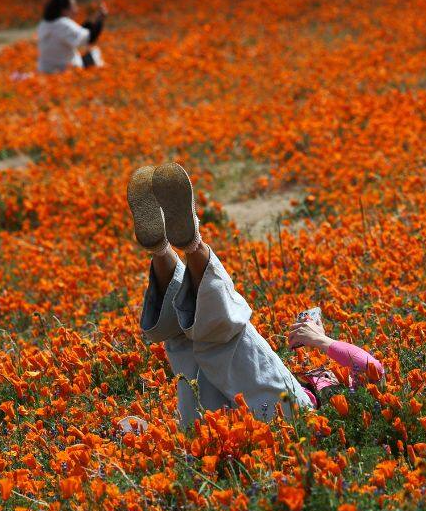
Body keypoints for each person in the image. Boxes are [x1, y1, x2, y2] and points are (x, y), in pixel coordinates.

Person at [129, 163, 384, 432]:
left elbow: (372, 368)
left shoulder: (363, 399)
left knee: (227, 338)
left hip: (296, 416)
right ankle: (163, 248)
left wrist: (321, 340)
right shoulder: (331, 381)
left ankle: (186, 245)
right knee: (185, 341)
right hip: (242, 427)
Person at [37, 0, 107, 74]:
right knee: (95, 52)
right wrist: (100, 20)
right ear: (64, 10)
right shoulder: (63, 23)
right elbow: (90, 38)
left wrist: (91, 21)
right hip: (67, 70)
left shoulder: (44, 24)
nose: (77, 10)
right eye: (73, 6)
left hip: (44, 69)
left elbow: (77, 33)